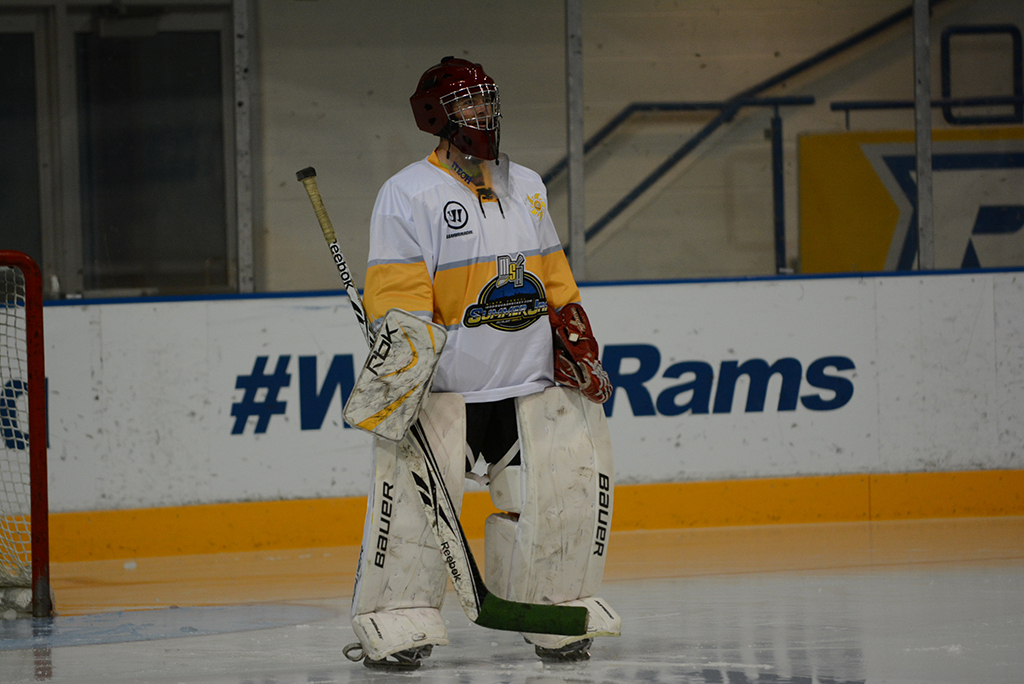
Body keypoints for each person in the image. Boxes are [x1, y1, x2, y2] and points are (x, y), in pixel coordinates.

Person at [344, 56, 619, 670]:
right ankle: (399, 621)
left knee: (553, 502)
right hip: (448, 394)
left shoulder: (528, 185)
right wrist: (404, 371)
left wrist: (574, 337)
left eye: (486, 101)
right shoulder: (407, 194)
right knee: (415, 514)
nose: (482, 113)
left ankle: (554, 609)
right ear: (434, 115)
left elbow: (554, 275)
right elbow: (399, 297)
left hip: (529, 389)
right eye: (467, 104)